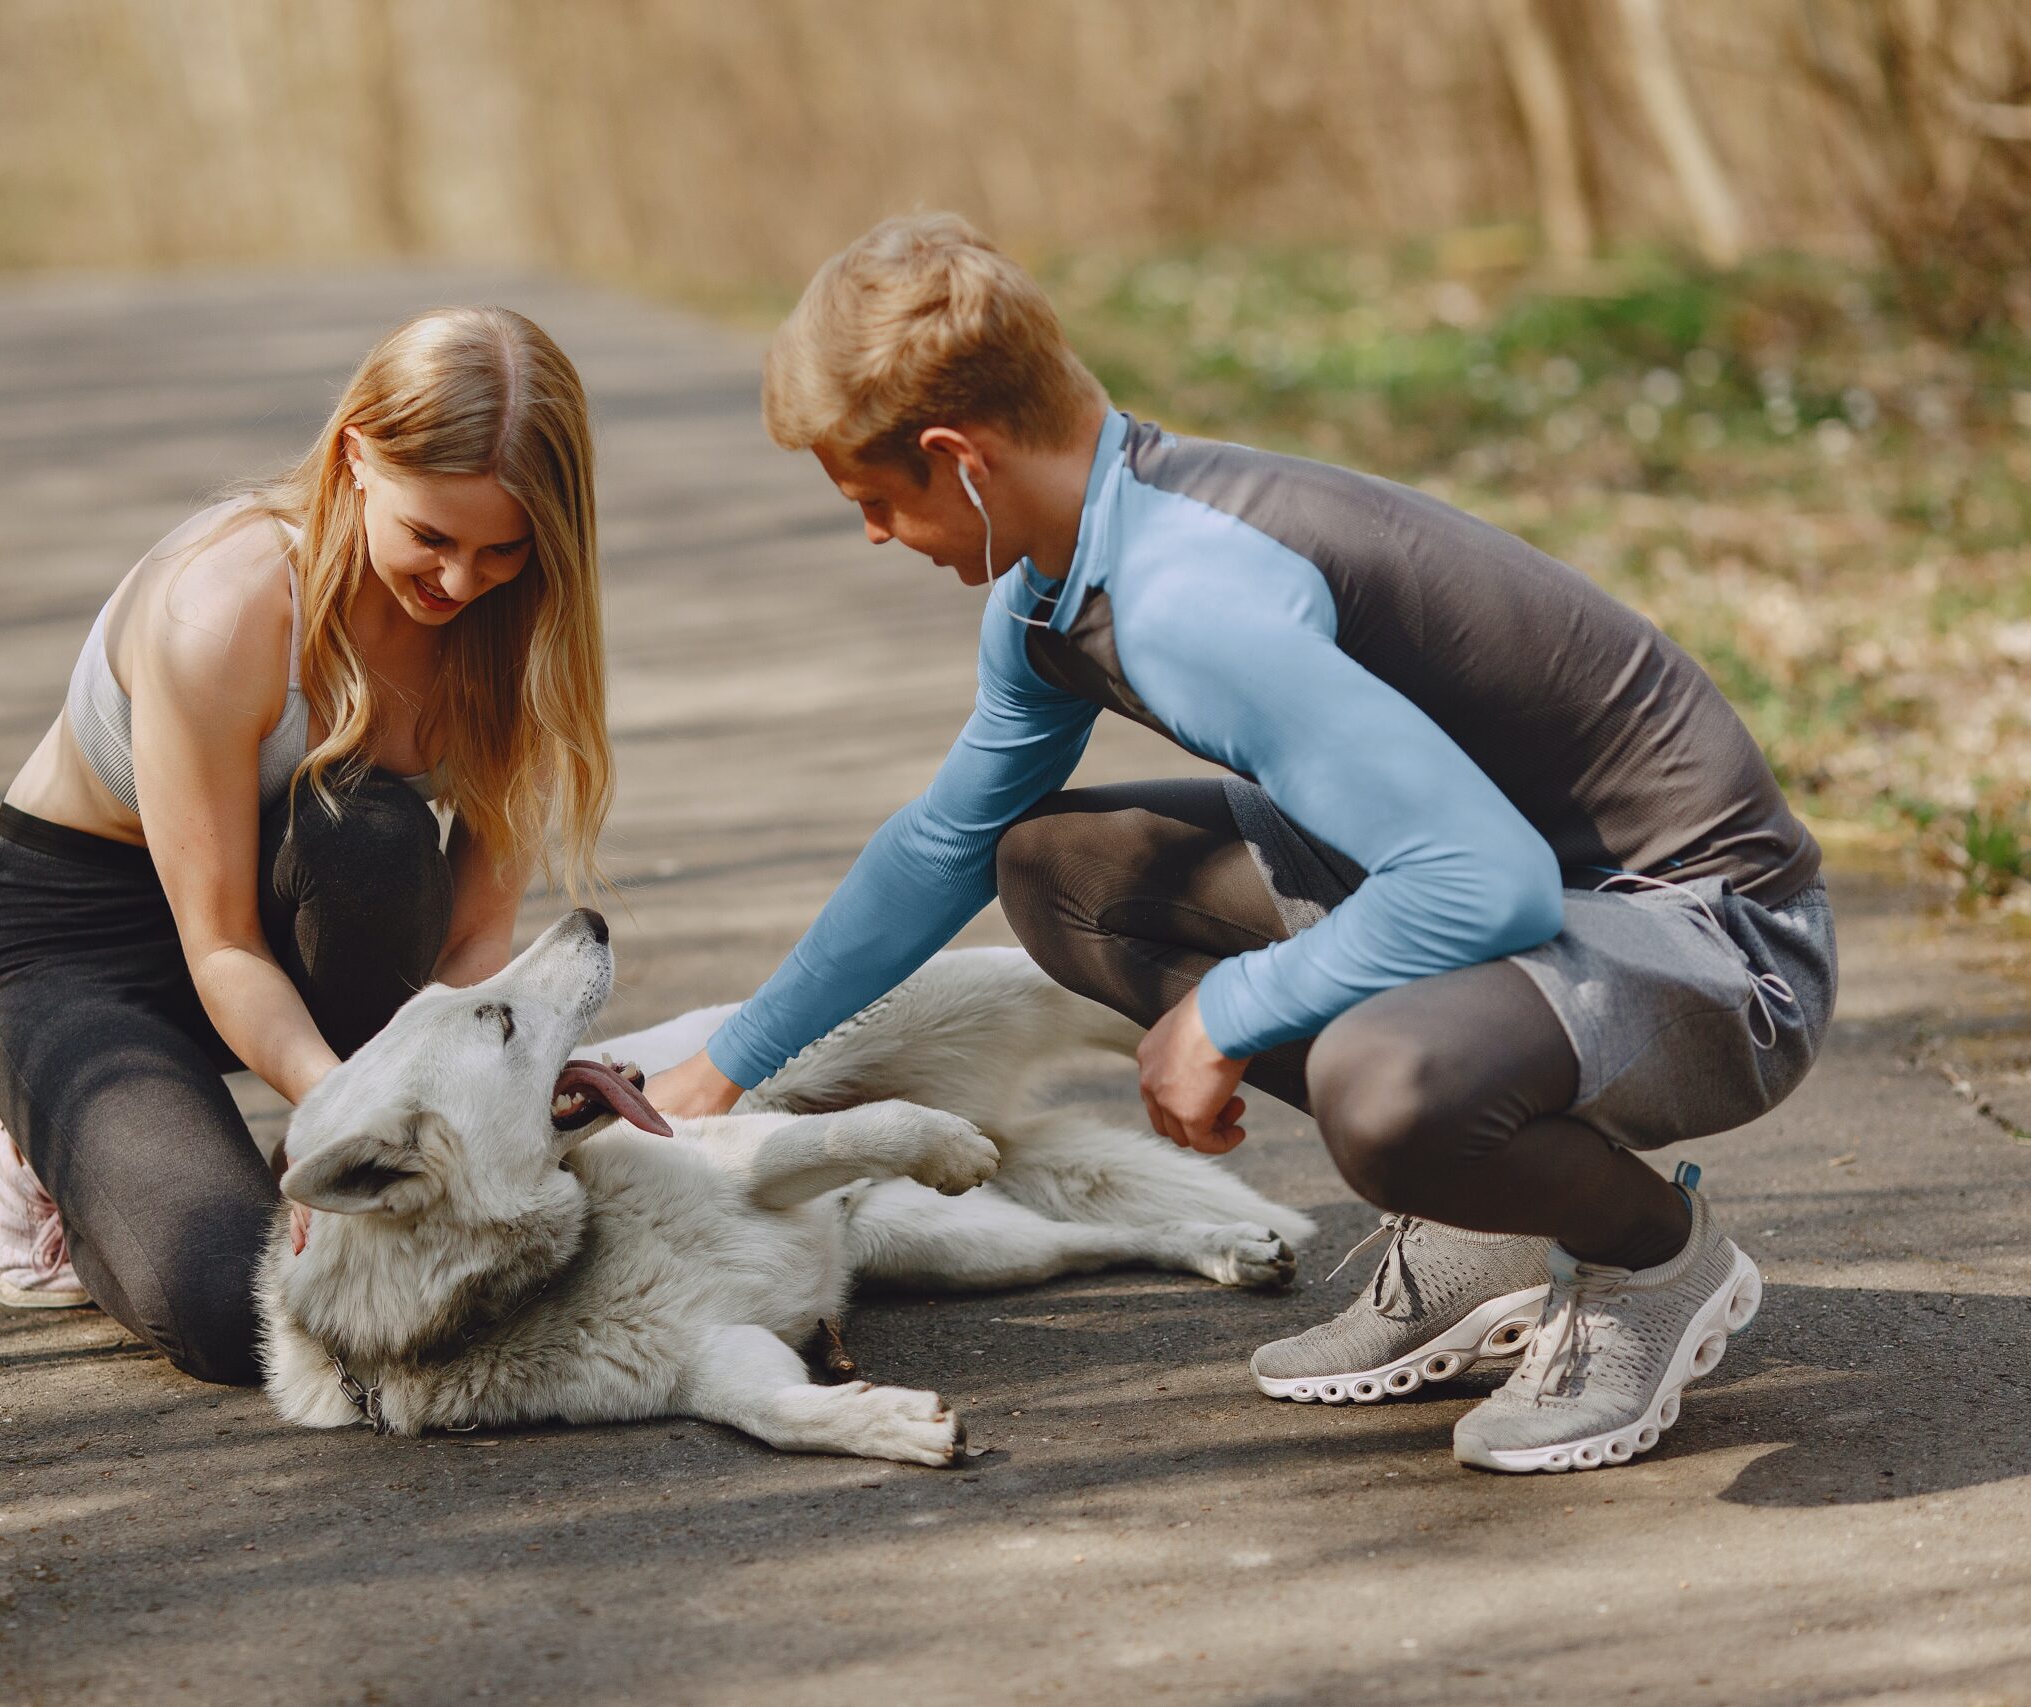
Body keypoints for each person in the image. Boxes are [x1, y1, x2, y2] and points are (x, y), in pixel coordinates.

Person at [646, 215, 1834, 1474]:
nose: (878, 536)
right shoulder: (1061, 584)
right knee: (1059, 872)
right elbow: (945, 841)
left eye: (876, 500)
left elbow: (1483, 880)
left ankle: (1646, 1255)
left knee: (1383, 1092)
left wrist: (1230, 1011)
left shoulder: (1187, 600)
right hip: (1542, 906)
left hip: (1715, 947)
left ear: (962, 459)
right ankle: (1482, 1213)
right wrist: (720, 1072)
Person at [0, 307, 612, 1384]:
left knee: (371, 844)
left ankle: (259, 1143)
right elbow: (218, 944)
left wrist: (407, 1142)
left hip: (312, 900)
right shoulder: (228, 606)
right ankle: (25, 1112)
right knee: (237, 1311)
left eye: (501, 550)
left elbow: (474, 935)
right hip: (88, 949)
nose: (458, 584)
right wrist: (343, 1122)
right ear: (356, 456)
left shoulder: (523, 625)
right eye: (431, 538)